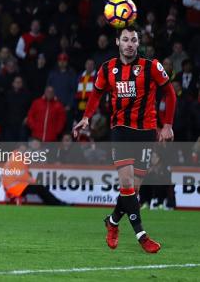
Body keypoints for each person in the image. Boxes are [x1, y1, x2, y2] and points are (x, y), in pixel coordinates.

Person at [73, 24, 176, 254]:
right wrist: (86, 117)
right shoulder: (108, 68)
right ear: (117, 42)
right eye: (126, 40)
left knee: (133, 190)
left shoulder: (151, 67)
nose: (130, 44)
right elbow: (96, 93)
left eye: (134, 40)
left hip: (146, 132)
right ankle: (142, 235)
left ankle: (112, 221)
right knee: (127, 184)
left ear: (139, 44)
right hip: (120, 130)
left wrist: (167, 124)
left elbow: (169, 93)